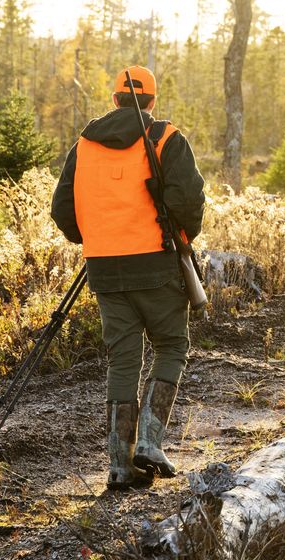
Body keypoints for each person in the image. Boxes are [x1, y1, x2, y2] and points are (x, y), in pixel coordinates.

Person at [51, 65, 205, 489]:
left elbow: (63, 209)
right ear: (152, 101)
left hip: (104, 268)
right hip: (156, 263)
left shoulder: (84, 145)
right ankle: (150, 445)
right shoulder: (165, 138)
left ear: (114, 99)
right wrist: (181, 236)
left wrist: (97, 238)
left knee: (122, 360)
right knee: (171, 345)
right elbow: (189, 201)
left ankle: (120, 466)